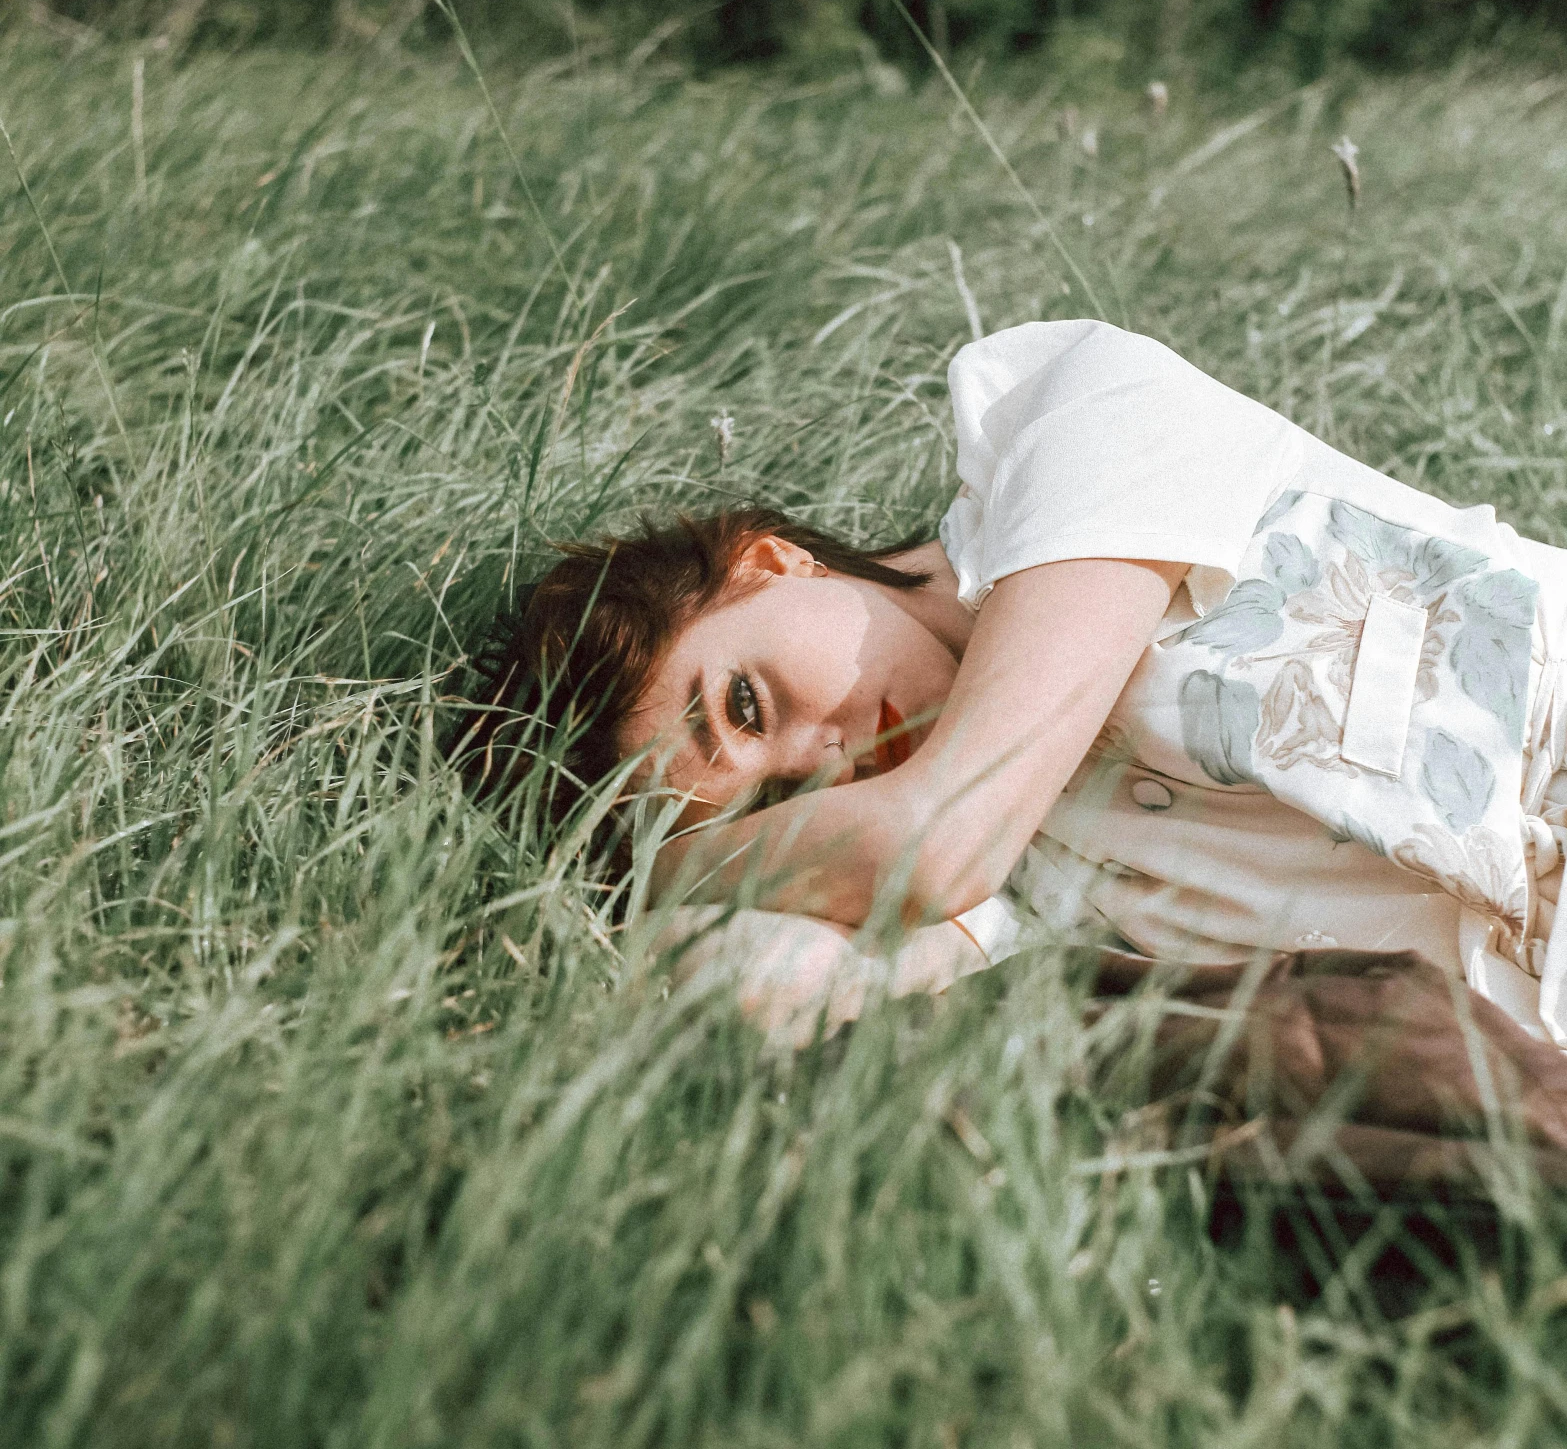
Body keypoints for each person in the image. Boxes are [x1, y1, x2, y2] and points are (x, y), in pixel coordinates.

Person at [468, 319, 1567, 1153]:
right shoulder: (970, 892)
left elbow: (940, 834)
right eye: (773, 805)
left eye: (746, 704)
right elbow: (779, 982)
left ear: (765, 561)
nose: (818, 762)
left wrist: (667, 870)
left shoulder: (1073, 419)